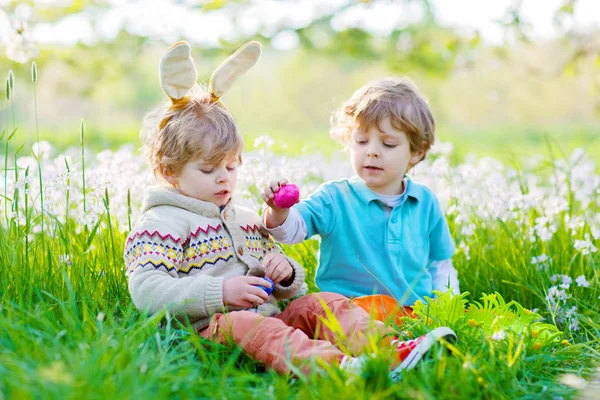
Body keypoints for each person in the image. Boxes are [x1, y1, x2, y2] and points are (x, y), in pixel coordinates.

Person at [124, 41, 456, 380]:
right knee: (241, 322)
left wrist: (286, 273)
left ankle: (390, 350)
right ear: (169, 171)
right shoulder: (162, 223)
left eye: (231, 166)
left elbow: (291, 289)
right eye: (209, 170)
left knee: (318, 303)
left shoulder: (246, 221)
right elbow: (147, 289)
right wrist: (220, 292)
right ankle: (337, 367)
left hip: (270, 322)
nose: (224, 177)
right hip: (209, 333)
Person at [262, 78, 460, 317]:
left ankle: (404, 345)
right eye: (361, 141)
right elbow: (290, 232)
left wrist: (448, 308)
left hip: (412, 313)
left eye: (388, 143)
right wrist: (279, 211)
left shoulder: (425, 202)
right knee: (311, 309)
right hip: (348, 311)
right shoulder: (335, 198)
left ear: (417, 152)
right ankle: (379, 349)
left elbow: (441, 266)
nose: (372, 151)